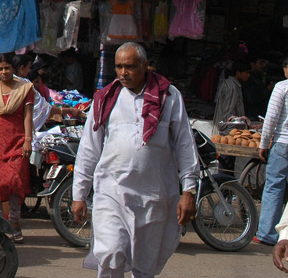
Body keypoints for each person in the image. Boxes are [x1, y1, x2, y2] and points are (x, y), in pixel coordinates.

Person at [72, 42, 198, 278]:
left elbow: (184, 144)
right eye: (118, 66)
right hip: (112, 191)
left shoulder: (168, 96)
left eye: (129, 67)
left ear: (144, 66)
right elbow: (89, 149)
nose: (122, 73)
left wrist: (189, 190)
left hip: (154, 195)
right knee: (110, 253)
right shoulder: (105, 98)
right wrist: (79, 194)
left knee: (145, 264)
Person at [0, 52, 34, 243]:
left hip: (17, 141)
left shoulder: (25, 89)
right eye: (0, 68)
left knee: (15, 181)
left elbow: (28, 116)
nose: (4, 72)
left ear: (14, 68)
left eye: (7, 68)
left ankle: (15, 221)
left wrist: (28, 140)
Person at [257, 56, 288, 245]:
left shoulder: (282, 87)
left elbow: (271, 118)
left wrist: (263, 143)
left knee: (274, 187)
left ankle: (267, 234)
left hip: (282, 144)